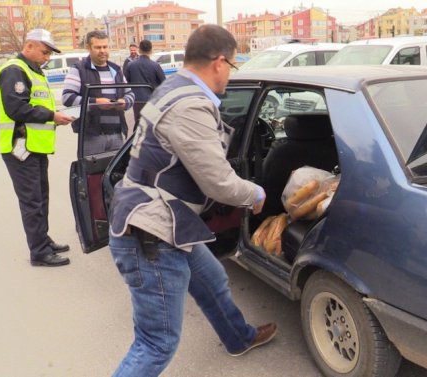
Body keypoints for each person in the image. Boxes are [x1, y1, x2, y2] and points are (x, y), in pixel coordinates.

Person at [107, 25, 276, 376]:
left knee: (211, 279)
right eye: (233, 66)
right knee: (156, 344)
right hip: (152, 232)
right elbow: (217, 182)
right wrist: (255, 193)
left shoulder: (172, 87)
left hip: (165, 219)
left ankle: (238, 338)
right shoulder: (190, 105)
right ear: (219, 62)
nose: (230, 74)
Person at [0, 28, 74, 267]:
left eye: (49, 53)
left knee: (41, 198)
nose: (47, 57)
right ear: (29, 46)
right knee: (32, 201)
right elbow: (16, 109)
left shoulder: (33, 71)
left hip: (34, 147)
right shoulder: (14, 71)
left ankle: (43, 240)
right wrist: (52, 115)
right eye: (44, 51)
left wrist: (55, 117)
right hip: (20, 148)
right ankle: (39, 252)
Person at [62, 30, 135, 155]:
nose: (102, 51)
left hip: (117, 134)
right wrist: (95, 103)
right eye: (98, 47)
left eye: (105, 47)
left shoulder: (116, 70)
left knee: (115, 174)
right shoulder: (78, 69)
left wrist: (125, 102)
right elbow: (67, 98)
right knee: (91, 173)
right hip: (91, 136)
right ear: (88, 48)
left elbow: (131, 94)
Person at [124, 39, 166, 123]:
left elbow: (125, 82)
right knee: (150, 124)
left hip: (137, 100)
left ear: (139, 50)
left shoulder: (130, 65)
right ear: (151, 50)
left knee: (138, 125)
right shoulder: (155, 66)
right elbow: (164, 83)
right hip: (152, 101)